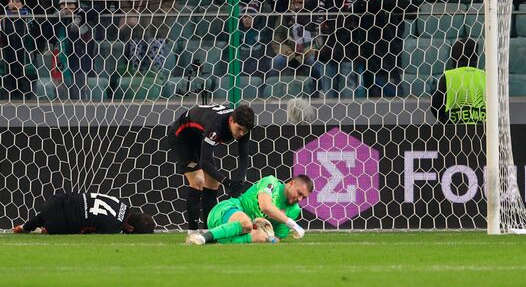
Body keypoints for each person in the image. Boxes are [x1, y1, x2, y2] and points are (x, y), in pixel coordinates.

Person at [167, 104, 255, 234]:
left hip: (198, 136)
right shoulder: (216, 125)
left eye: (245, 131)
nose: (241, 133)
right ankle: (193, 231)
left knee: (213, 183)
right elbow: (204, 162)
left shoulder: (244, 127)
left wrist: (239, 183)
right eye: (239, 129)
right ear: (231, 120)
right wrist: (227, 182)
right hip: (182, 136)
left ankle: (209, 230)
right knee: (198, 180)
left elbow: (243, 157)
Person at [186, 174, 314, 245]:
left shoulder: (294, 210)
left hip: (238, 231)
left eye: (304, 197)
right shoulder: (271, 183)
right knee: (246, 223)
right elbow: (266, 206)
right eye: (299, 193)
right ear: (291, 183)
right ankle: (204, 237)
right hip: (225, 211)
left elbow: (277, 238)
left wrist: (270, 238)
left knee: (262, 237)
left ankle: (216, 239)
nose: (300, 199)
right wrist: (291, 223)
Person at [316, 0, 362, 98]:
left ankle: (348, 119)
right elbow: (314, 21)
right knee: (328, 90)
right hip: (327, 50)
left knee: (347, 88)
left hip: (348, 50)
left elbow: (357, 24)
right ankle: (328, 119)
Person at [12, 192, 155, 234]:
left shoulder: (121, 201)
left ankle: (24, 227)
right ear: (130, 228)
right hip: (57, 223)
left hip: (55, 200)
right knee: (80, 226)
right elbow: (86, 232)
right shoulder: (113, 227)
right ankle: (43, 229)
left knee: (43, 217)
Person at [431, 38, 486, 124]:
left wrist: (445, 121)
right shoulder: (485, 77)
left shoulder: (448, 76)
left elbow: (435, 105)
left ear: (454, 55)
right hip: (483, 132)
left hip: (452, 132)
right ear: (476, 55)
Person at [0, 0, 39, 100]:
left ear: (22, 4)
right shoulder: (3, 19)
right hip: (7, 56)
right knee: (8, 82)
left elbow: (37, 37)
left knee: (26, 83)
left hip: (26, 57)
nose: (13, 4)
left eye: (17, 1)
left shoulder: (29, 18)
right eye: (10, 1)